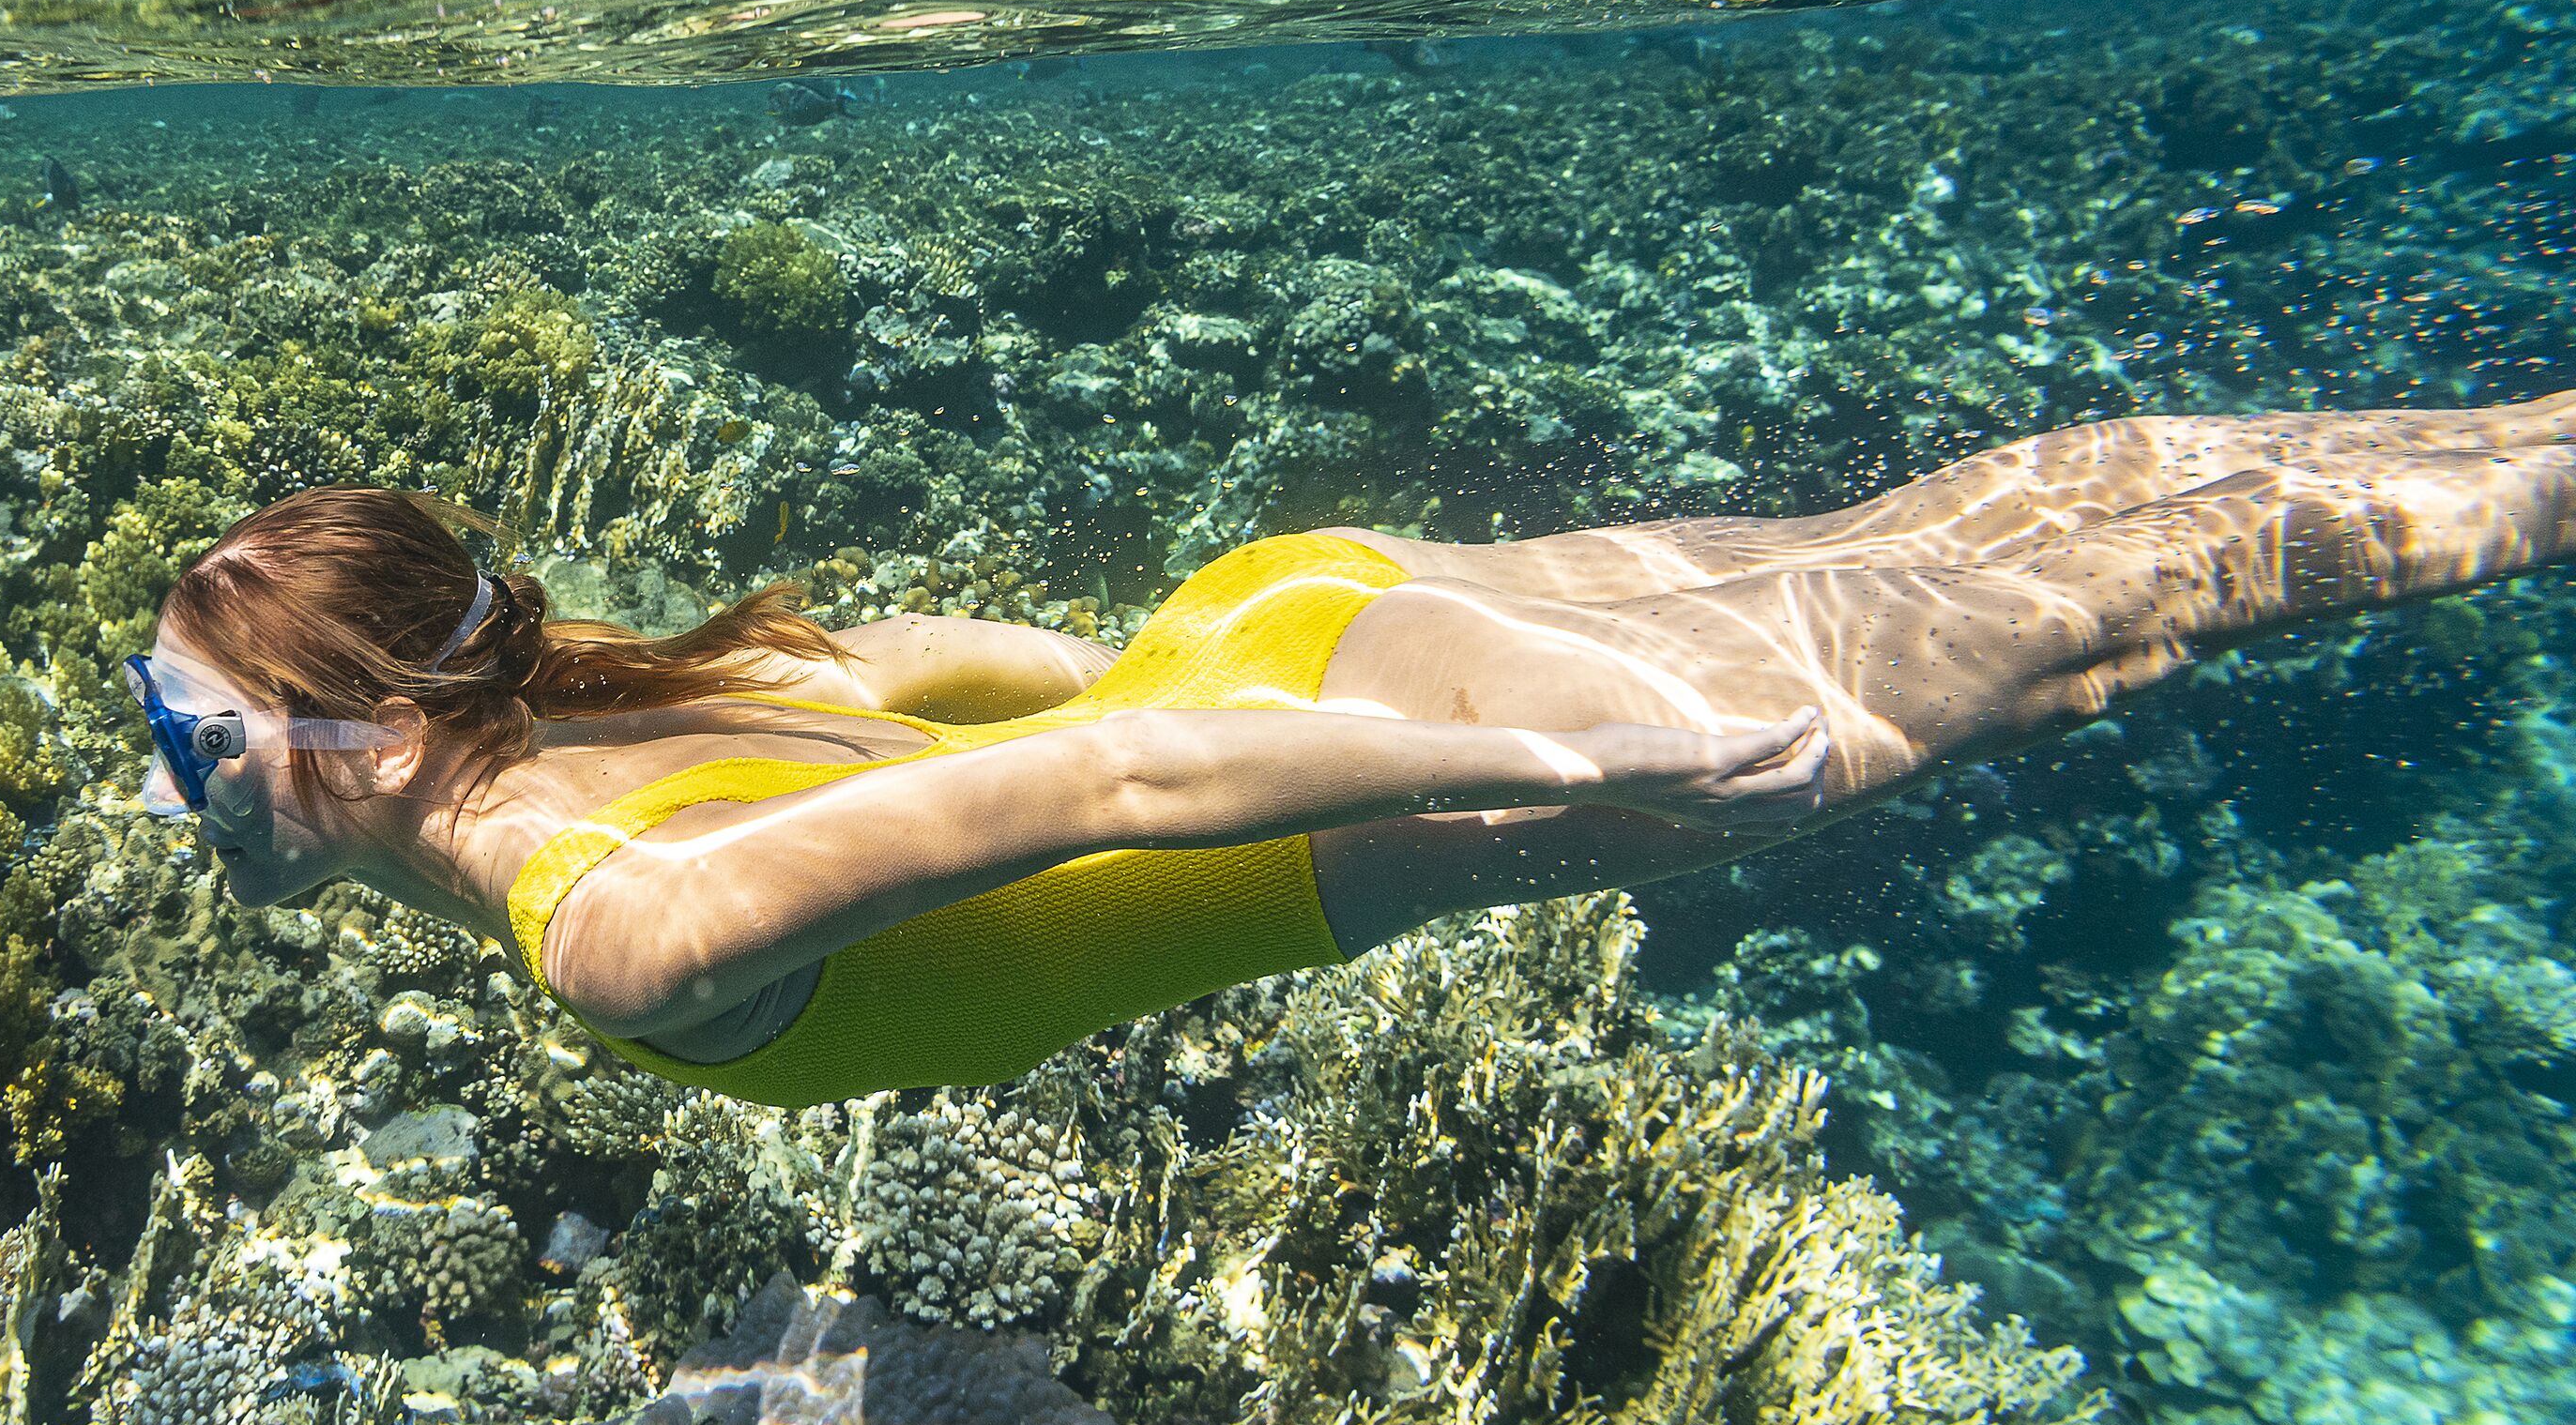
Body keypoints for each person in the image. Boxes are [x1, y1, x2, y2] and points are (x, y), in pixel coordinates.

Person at [125, 403, 2575, 1107]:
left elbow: (1101, 793)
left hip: (1370, 738)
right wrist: (1266, 670)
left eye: (186, 736)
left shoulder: (619, 931)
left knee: (2080, 620)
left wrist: (1579, 779)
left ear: (360, 735)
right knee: (1955, 544)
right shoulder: (596, 691)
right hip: (1282, 620)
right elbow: (1002, 673)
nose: (162, 784)